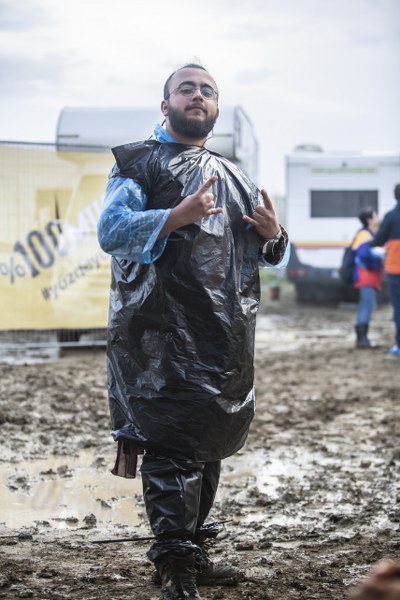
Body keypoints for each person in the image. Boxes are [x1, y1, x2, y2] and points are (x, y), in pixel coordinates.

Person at [97, 63, 290, 600]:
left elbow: (267, 249)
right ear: (166, 105)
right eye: (187, 88)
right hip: (159, 335)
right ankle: (175, 566)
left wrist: (274, 237)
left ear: (216, 107)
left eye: (207, 90)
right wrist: (176, 216)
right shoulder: (139, 164)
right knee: (172, 447)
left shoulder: (233, 174)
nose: (198, 96)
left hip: (223, 334)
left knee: (207, 446)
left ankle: (194, 554)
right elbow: (111, 231)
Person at [370, 183, 400, 356]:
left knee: (398, 308)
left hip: (396, 270)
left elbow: (378, 240)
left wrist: (367, 243)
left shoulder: (390, 216)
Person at [352, 208, 384, 348]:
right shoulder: (365, 235)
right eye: (376, 215)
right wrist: (378, 256)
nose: (378, 217)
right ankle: (362, 339)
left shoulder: (370, 233)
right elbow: (364, 254)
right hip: (366, 275)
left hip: (369, 275)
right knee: (367, 305)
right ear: (369, 220)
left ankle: (363, 338)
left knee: (367, 305)